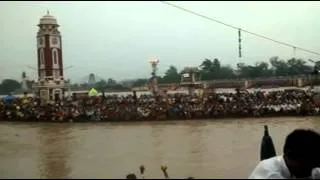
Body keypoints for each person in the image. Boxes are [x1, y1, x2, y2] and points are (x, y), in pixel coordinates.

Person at [249, 129, 320, 179]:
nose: (310, 172)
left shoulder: (309, 168)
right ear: (289, 155)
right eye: (307, 166)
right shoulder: (269, 174)